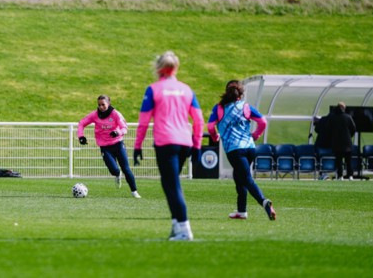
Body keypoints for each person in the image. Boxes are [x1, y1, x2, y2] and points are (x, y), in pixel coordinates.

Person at [133, 51, 203, 241]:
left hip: (166, 143)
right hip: (184, 142)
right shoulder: (187, 89)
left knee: (172, 186)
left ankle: (184, 228)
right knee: (169, 183)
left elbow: (143, 121)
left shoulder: (154, 89)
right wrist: (197, 145)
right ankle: (176, 225)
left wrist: (137, 146)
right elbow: (198, 119)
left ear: (158, 68)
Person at [206, 80, 276, 221]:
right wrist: (256, 135)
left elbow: (209, 126)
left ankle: (264, 202)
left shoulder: (220, 108)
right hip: (250, 148)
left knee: (246, 178)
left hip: (234, 150)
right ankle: (241, 211)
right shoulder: (246, 107)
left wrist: (215, 136)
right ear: (240, 94)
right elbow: (263, 121)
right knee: (239, 176)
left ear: (226, 92)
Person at [77, 95, 140, 198]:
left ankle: (134, 192)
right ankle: (117, 174)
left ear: (108, 103)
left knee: (126, 169)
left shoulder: (115, 114)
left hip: (118, 144)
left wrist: (117, 132)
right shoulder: (94, 115)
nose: (101, 107)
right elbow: (81, 123)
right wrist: (81, 136)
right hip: (105, 147)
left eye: (103, 104)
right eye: (99, 105)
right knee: (114, 170)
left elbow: (125, 128)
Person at [327, 102, 356, 180]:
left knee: (339, 160)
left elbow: (329, 129)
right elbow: (353, 128)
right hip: (347, 142)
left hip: (337, 142)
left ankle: (340, 176)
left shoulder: (332, 117)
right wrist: (350, 136)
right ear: (343, 108)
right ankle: (350, 176)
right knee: (348, 160)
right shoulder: (348, 117)